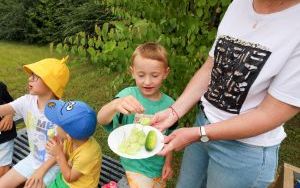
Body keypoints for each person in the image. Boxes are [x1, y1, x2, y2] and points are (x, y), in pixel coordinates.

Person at [151, 0, 300, 187]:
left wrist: (200, 134)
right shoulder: (239, 4)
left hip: (243, 151)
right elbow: (211, 68)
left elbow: (271, 113)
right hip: (202, 124)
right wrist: (174, 112)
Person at [98, 42, 177, 188]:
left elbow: (169, 138)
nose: (147, 81)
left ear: (165, 73)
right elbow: (101, 119)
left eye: (154, 75)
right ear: (132, 72)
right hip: (132, 167)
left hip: (156, 168)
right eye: (141, 75)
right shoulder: (127, 96)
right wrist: (114, 105)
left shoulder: (171, 106)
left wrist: (168, 163)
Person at [0, 57, 70, 188]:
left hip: (54, 165)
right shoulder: (27, 101)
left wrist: (40, 172)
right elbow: (2, 110)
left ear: (50, 83)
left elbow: (64, 152)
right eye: (31, 75)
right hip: (33, 159)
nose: (29, 79)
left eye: (36, 76)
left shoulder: (62, 112)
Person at [44, 100, 102, 188]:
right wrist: (58, 147)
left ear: (68, 136)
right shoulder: (73, 139)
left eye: (58, 125)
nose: (55, 127)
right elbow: (66, 157)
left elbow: (70, 178)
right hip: (65, 178)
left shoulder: (87, 154)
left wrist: (58, 154)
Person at [0, 82, 17, 177]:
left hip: (4, 137)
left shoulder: (0, 87)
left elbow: (12, 104)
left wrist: (9, 115)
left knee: (2, 172)